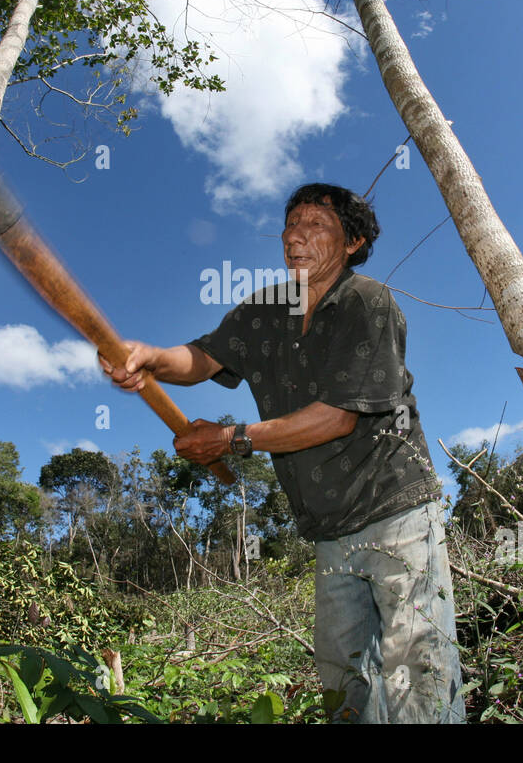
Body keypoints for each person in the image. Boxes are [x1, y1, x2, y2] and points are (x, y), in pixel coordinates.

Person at [100, 183, 465, 723]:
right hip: (328, 527)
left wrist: (229, 439)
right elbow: (202, 358)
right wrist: (150, 358)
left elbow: (338, 415)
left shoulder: (368, 303)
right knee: (343, 682)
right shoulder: (264, 312)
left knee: (418, 672)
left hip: (397, 511)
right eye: (291, 224)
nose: (295, 235)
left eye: (315, 224)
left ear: (353, 242)